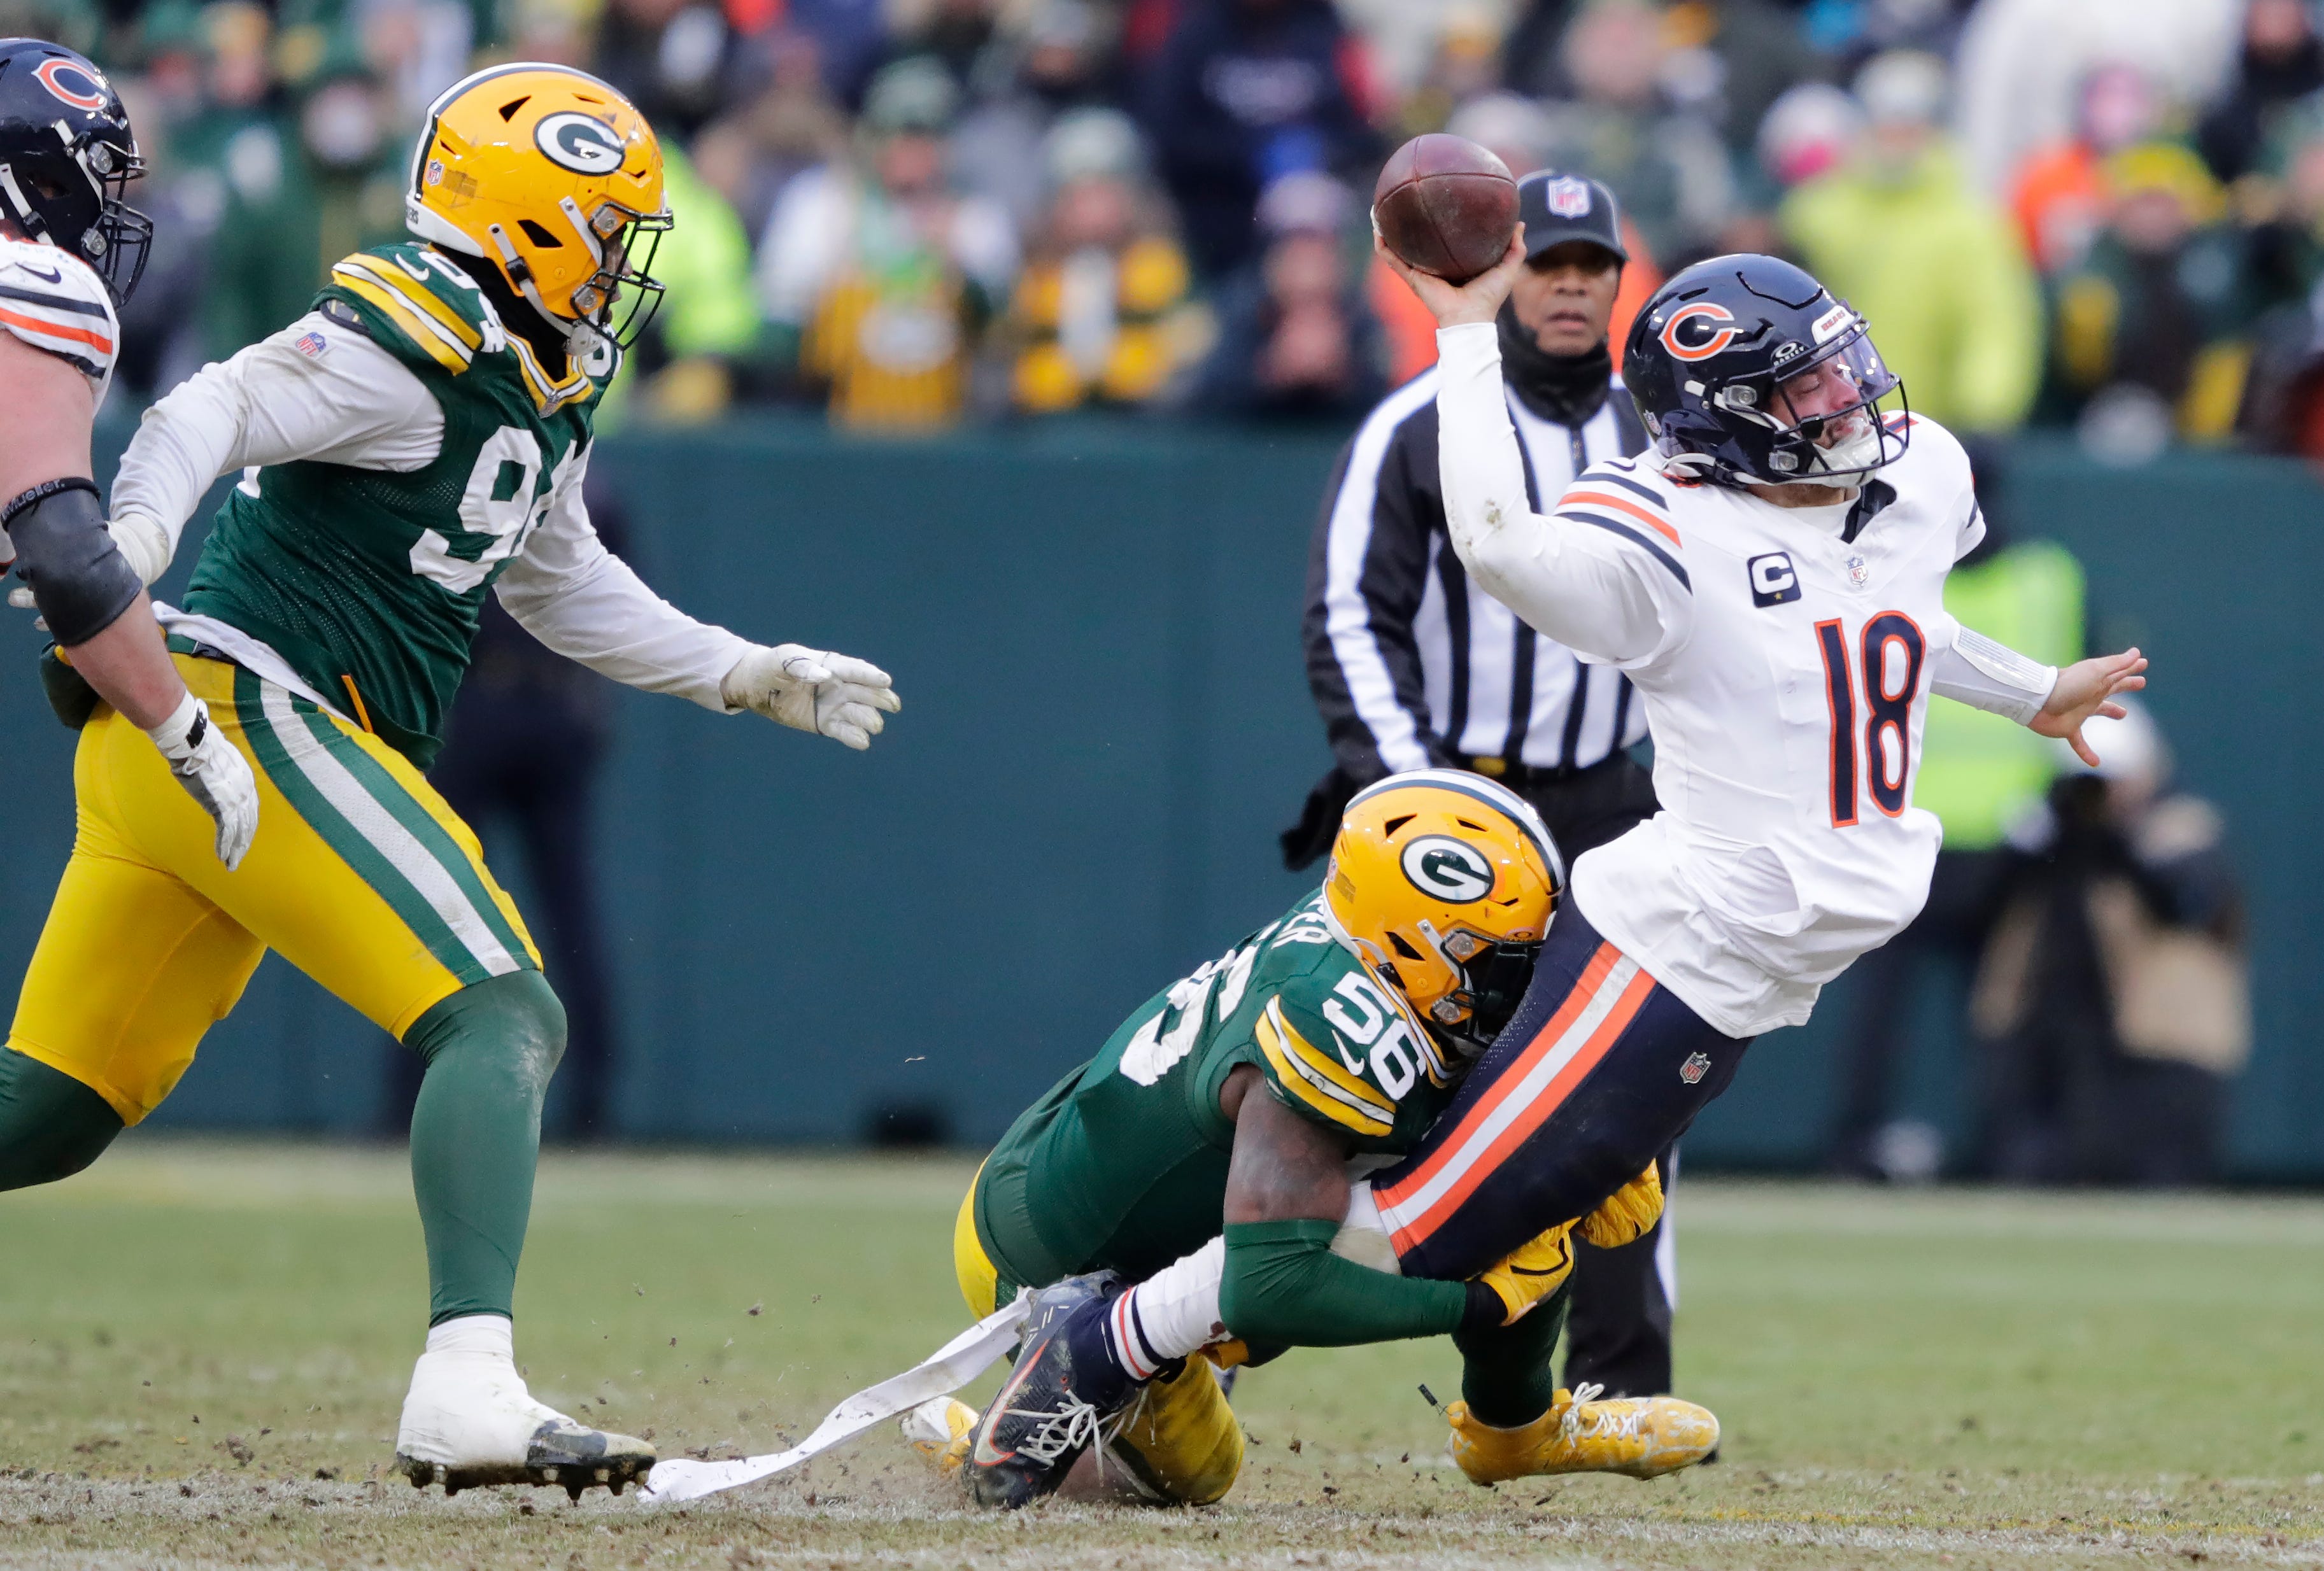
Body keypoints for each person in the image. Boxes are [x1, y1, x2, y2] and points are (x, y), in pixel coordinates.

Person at [1050, 242, 2153, 1469]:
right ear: (1721, 420)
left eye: (1845, 369)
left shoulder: (1922, 472)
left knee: (1473, 1204)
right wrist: (1466, 333)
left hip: (1758, 955)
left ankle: (1464, 1415)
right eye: (1807, 389)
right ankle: (1102, 1344)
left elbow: (1886, 619)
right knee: (1423, 1231)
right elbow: (1496, 544)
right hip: (1675, 942)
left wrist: (2031, 689)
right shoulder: (1663, 528)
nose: (1850, 402)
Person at [0, 62, 902, 1500]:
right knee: (502, 1007)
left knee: (40, 1117)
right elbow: (202, 412)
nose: (623, 268)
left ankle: (463, 1379)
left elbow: (558, 581)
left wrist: (739, 667)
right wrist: (139, 555)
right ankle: (463, 1382)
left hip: (199, 750)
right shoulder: (407, 338)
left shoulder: (528, 365)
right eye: (607, 234)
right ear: (533, 225)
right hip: (240, 706)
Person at [928, 771, 1716, 1510]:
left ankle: (1516, 1430)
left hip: (1105, 1155)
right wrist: (1483, 1301)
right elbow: (1269, 1286)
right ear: (1417, 950)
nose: (1526, 985)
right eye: (1507, 966)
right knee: (1199, 1474)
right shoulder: (1335, 1023)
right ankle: (990, 1430)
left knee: (1522, 1186)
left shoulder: (1381, 945)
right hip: (1051, 1251)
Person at [1291, 170, 1683, 1405]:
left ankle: (1624, 1384)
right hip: (1453, 792)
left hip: (1605, 805)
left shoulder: (1664, 442)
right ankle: (1196, 1339)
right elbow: (1351, 612)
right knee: (1337, 1076)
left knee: (1627, 1095)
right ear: (1504, 269)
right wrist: (1413, 793)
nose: (1569, 287)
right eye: (1547, 263)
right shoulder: (1418, 424)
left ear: (1621, 282)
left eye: (1591, 267)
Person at [0, 39, 257, 875]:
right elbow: (67, 558)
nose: (107, 208)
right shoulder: (38, 284)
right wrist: (184, 732)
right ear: (29, 177)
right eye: (90, 178)